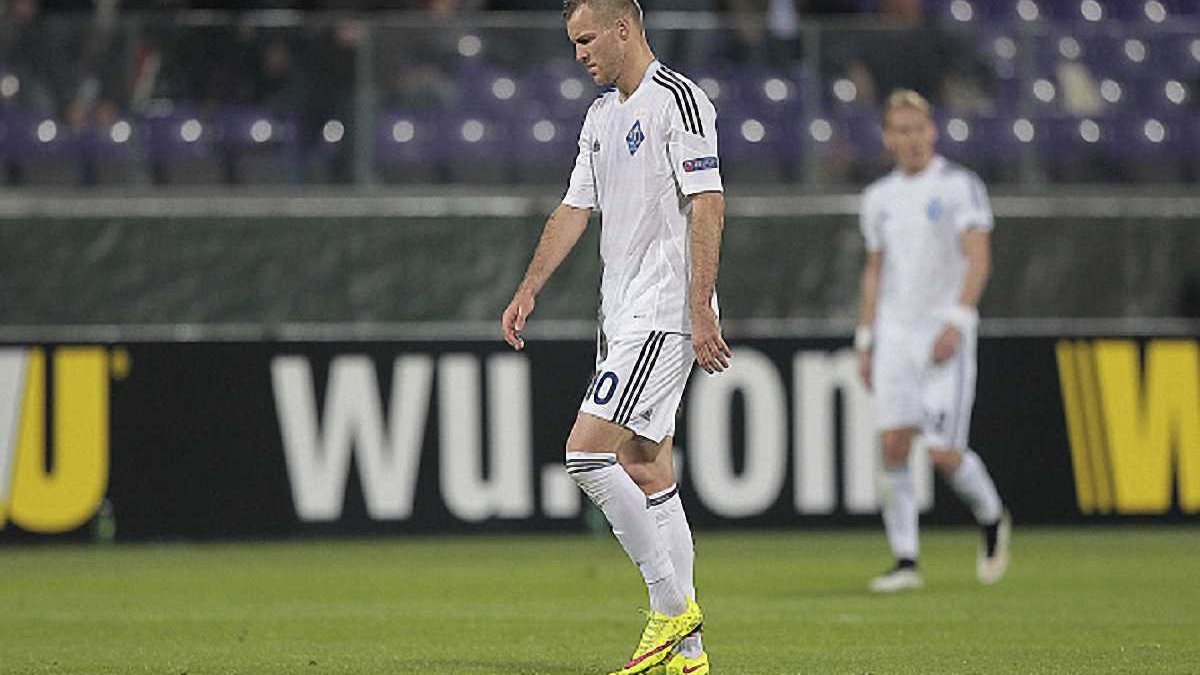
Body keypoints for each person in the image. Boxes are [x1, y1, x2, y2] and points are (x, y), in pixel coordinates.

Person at [501, 0, 729, 672]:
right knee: (647, 468)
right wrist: (529, 286)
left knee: (585, 455)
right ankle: (689, 655)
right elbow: (575, 208)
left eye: (586, 39)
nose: (579, 55)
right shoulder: (601, 117)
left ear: (623, 29)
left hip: (662, 310)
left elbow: (709, 202)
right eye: (573, 43)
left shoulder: (679, 101)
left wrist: (699, 306)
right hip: (622, 315)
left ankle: (670, 607)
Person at [855, 89, 1011, 593]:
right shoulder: (879, 198)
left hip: (942, 332)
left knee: (944, 453)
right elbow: (874, 271)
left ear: (933, 132)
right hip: (894, 334)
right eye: (901, 130)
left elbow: (978, 258)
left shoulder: (960, 186)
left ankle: (991, 516)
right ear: (887, 138)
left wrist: (957, 321)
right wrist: (866, 338)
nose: (912, 139)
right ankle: (905, 559)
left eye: (918, 129)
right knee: (894, 445)